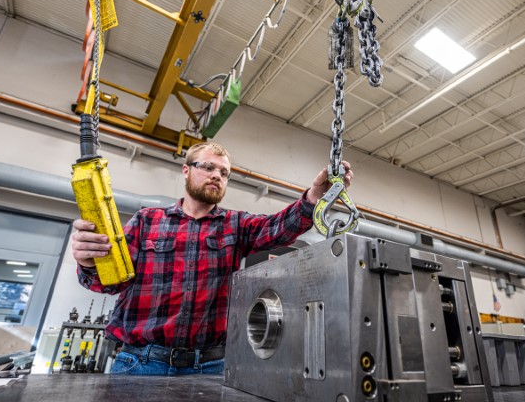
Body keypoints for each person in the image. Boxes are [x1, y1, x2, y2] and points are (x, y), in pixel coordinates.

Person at [71, 141, 352, 375]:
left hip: (209, 366)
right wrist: (87, 262)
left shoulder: (235, 225)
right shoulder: (147, 221)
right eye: (208, 167)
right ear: (185, 170)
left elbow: (278, 228)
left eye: (224, 172)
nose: (217, 175)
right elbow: (111, 284)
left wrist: (315, 196)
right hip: (140, 364)